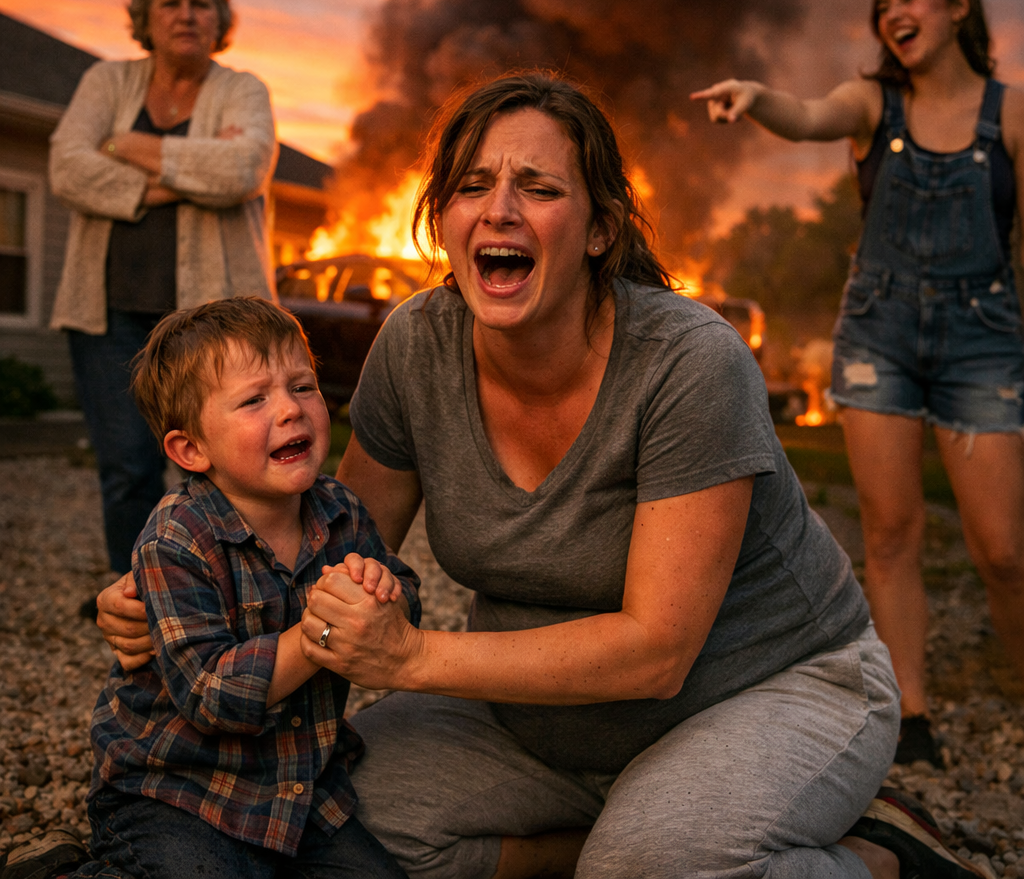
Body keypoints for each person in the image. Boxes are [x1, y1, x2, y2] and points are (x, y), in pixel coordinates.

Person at [91, 73, 985, 879]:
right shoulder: (415, 345)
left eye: (540, 187)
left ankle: (875, 858)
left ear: (600, 230)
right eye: (472, 185)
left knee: (652, 865)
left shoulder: (688, 363)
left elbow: (657, 650)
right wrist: (174, 594)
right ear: (443, 217)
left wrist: (412, 656)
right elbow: (325, 542)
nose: (499, 210)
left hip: (774, 689)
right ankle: (616, 840)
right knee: (330, 817)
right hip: (532, 725)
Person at [691, 0, 1024, 768]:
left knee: (1004, 550)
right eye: (882, 7)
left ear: (956, 6)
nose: (892, 15)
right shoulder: (874, 103)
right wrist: (754, 96)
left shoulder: (1009, 115)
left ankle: (1018, 674)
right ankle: (911, 707)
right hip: (880, 337)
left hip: (984, 339)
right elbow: (806, 116)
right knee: (893, 529)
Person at [6, 297, 420, 879]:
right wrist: (316, 636)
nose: (290, 411)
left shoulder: (340, 510)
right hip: (175, 791)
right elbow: (208, 693)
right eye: (255, 399)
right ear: (190, 449)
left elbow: (407, 601)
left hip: (299, 790)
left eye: (302, 386)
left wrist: (384, 588)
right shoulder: (176, 538)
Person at [49, 0, 278, 584]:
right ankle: (138, 599)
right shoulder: (107, 83)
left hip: (209, 326)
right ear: (144, 17)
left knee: (220, 468)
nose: (186, 14)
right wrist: (180, 171)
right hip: (109, 316)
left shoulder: (242, 90)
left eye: (200, 3)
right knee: (126, 468)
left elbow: (242, 169)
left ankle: (229, 594)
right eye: (170, 3)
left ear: (219, 18)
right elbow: (67, 165)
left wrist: (124, 148)